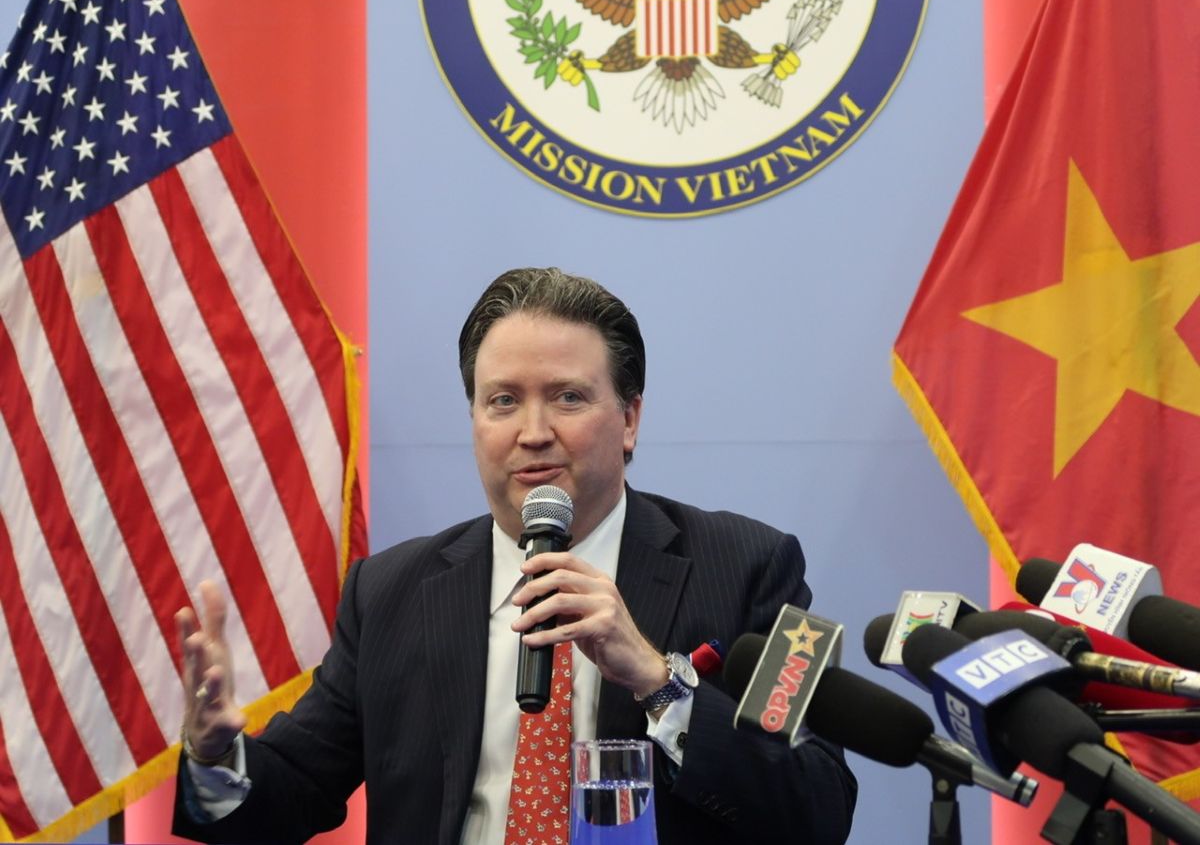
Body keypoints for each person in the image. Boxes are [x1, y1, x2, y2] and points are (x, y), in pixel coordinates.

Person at [172, 267, 857, 844]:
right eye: (503, 400)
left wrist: (658, 679)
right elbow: (292, 794)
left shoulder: (748, 566)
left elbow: (819, 804)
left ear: (629, 420)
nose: (533, 432)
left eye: (567, 396)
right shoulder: (391, 592)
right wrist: (214, 756)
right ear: (474, 420)